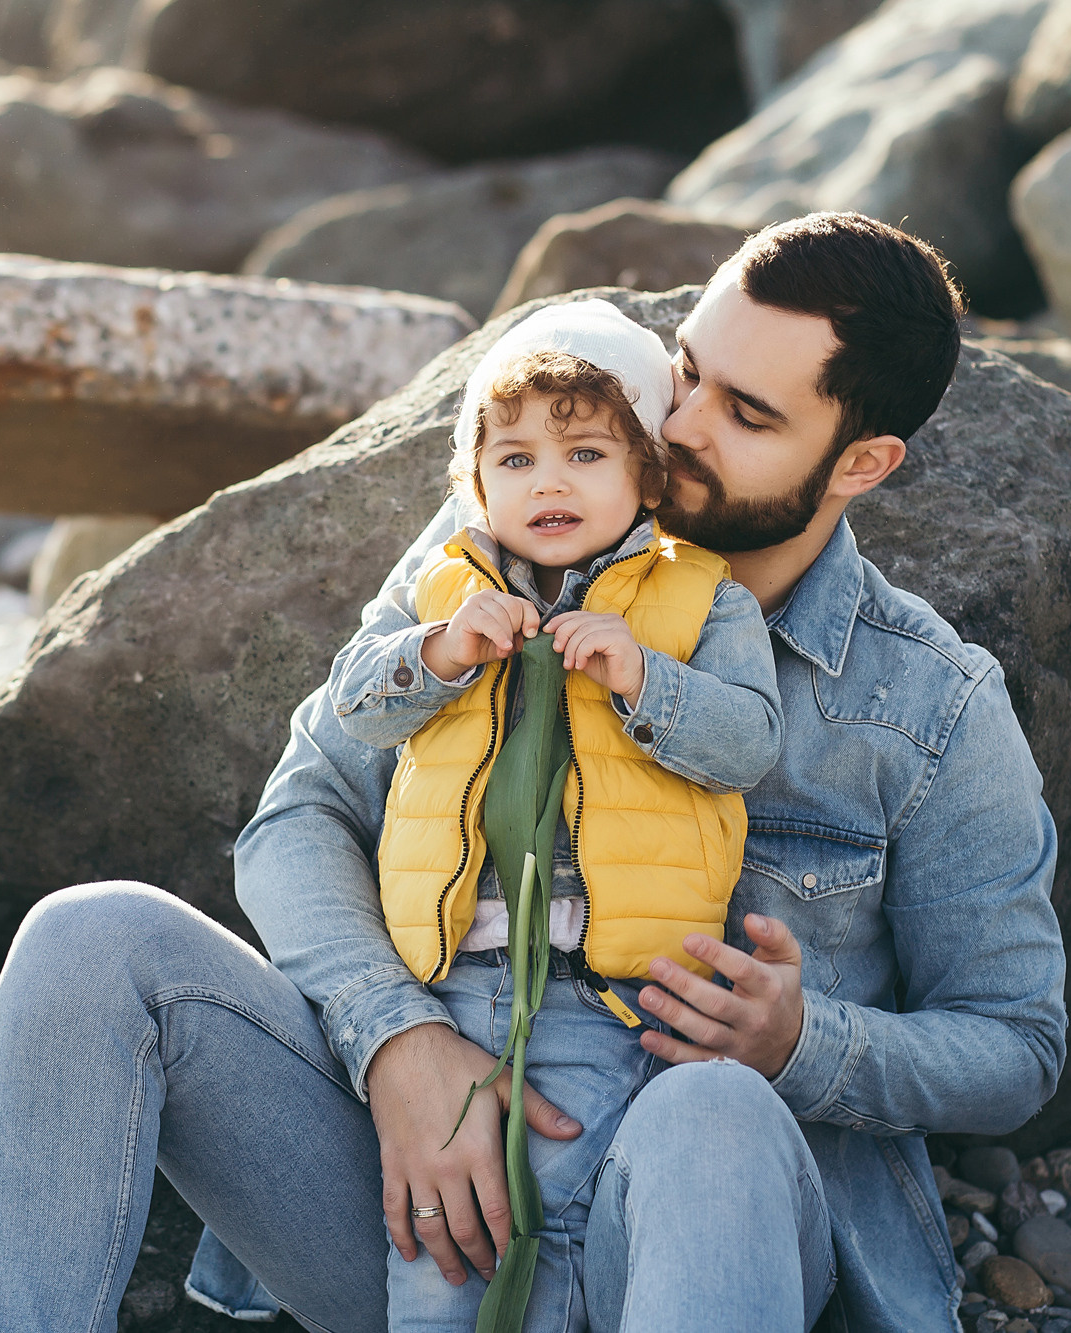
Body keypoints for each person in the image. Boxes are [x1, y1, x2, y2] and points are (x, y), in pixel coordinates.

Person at [0, 212, 1069, 1333]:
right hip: (430, 1206)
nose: (678, 424)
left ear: (862, 462)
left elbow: (1015, 1045)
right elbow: (300, 816)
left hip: (689, 1237)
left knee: (712, 1107)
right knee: (88, 938)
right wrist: (397, 1042)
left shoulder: (927, 700)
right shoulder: (501, 542)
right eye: (688, 369)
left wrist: (800, 1043)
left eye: (746, 414)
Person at [328, 298, 783, 1324]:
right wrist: (441, 650)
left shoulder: (702, 598)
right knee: (441, 1247)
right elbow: (354, 707)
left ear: (646, 477)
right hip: (451, 983)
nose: (549, 482)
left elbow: (750, 743)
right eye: (517, 459)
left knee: (551, 1211)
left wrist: (644, 680)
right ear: (475, 483)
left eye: (585, 454)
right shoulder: (441, 592)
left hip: (600, 993)